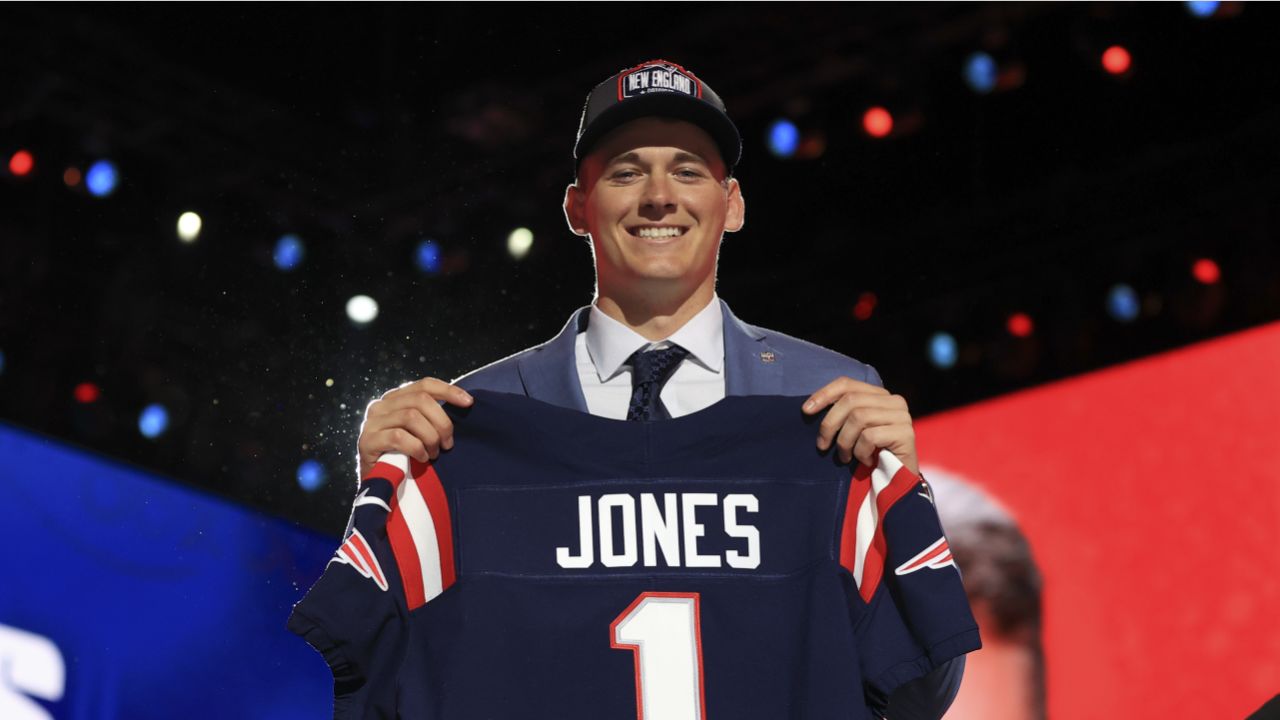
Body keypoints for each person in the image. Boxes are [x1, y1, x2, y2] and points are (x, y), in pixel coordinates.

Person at [357, 59, 965, 719]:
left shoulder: (825, 396)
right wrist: (382, 499)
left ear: (731, 205)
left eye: (687, 169)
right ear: (577, 207)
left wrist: (907, 495)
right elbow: (399, 680)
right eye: (625, 171)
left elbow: (915, 695)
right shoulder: (475, 417)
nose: (658, 196)